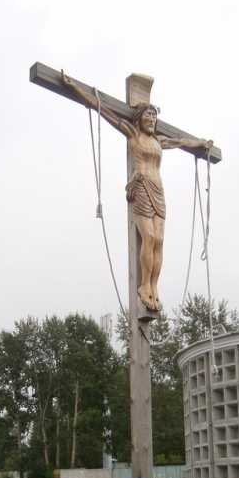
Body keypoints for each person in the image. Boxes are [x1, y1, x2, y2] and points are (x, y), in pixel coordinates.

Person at [61, 70, 212, 312]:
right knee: (148, 237)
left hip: (158, 191)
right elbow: (103, 109)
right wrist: (75, 87)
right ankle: (143, 286)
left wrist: (202, 144)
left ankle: (154, 287)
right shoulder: (133, 134)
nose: (151, 119)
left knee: (159, 241)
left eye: (154, 116)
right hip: (141, 187)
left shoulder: (159, 141)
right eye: (147, 116)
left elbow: (182, 142)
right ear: (139, 119)